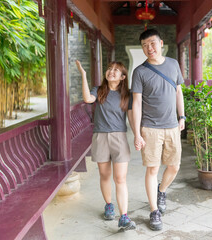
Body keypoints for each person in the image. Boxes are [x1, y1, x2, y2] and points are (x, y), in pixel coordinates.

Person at [131, 29, 185, 231]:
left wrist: (182, 116)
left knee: (174, 166)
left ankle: (161, 190)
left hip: (172, 126)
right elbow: (136, 104)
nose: (149, 48)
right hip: (150, 128)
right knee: (152, 169)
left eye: (152, 43)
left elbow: (178, 91)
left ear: (161, 43)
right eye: (144, 45)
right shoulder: (140, 72)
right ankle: (154, 211)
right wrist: (137, 133)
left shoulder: (173, 64)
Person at [75, 60, 136, 231]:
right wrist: (83, 75)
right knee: (104, 175)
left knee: (120, 178)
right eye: (109, 69)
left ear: (123, 77)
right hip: (100, 137)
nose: (111, 72)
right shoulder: (99, 90)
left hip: (120, 138)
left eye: (116, 70)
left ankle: (124, 216)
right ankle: (109, 205)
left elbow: (131, 117)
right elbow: (88, 99)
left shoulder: (127, 95)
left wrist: (138, 135)